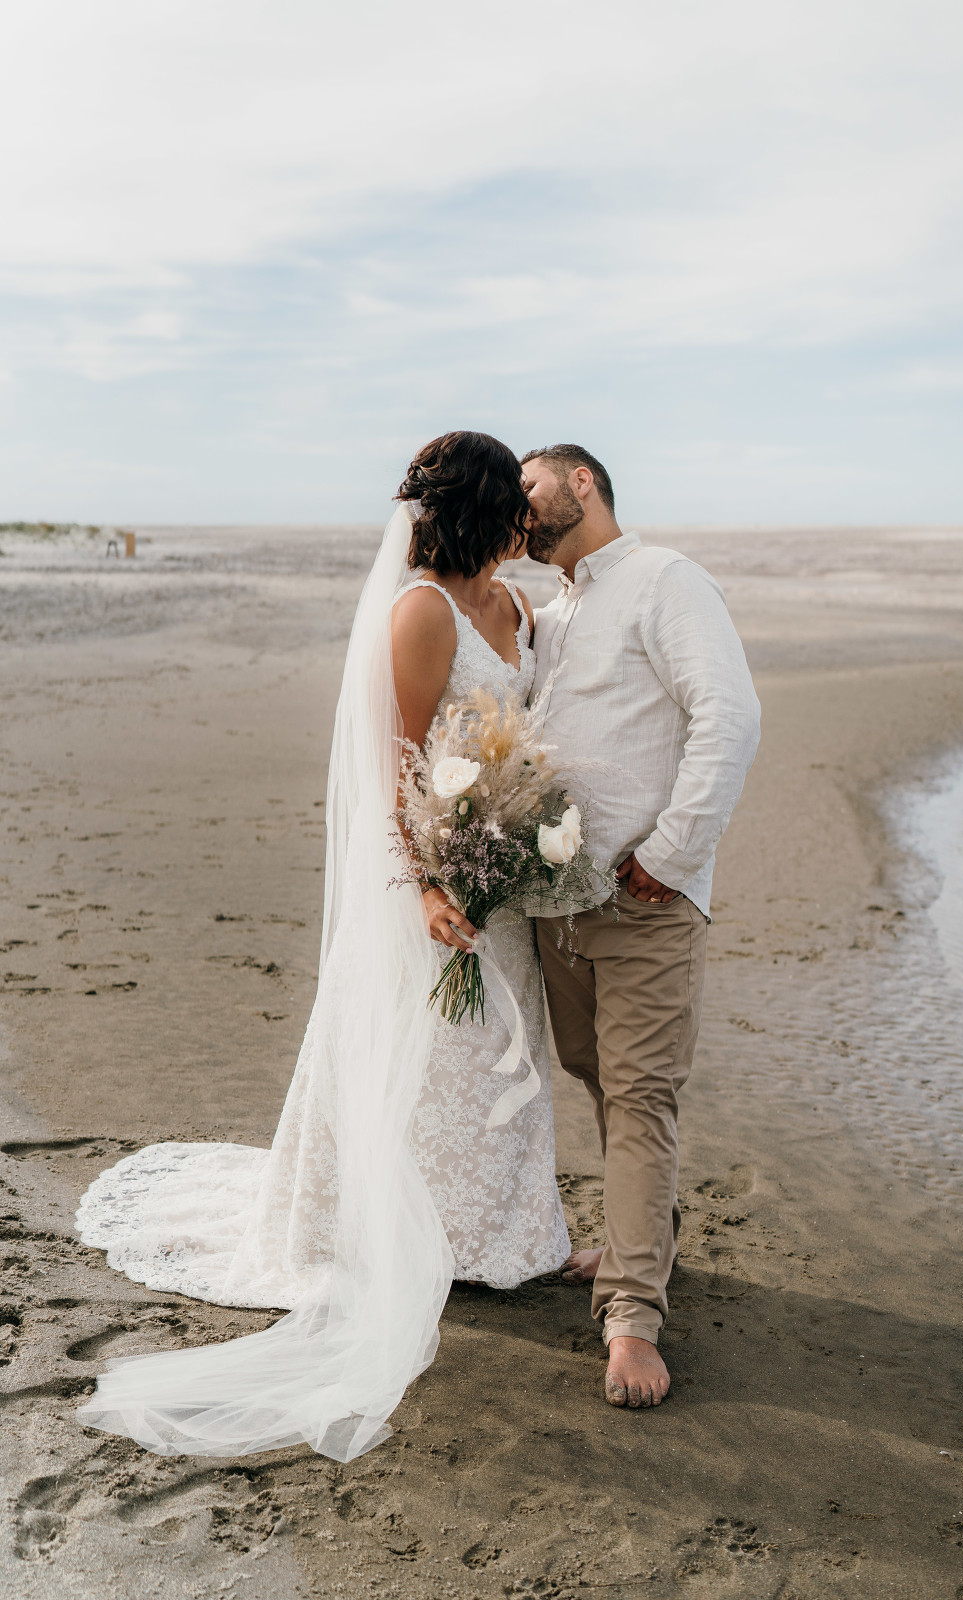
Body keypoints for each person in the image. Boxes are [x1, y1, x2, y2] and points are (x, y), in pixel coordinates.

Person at [74, 431, 568, 1461]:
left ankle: (490, 1232)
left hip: (502, 881)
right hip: (434, 878)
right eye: (513, 504)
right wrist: (427, 883)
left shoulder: (518, 607)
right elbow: (398, 762)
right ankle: (396, 1229)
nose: (529, 519)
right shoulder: (422, 611)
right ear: (479, 508)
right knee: (429, 1052)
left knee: (495, 1049)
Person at [522, 443, 761, 1411]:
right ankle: (641, 1238)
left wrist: (670, 851)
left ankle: (630, 1313)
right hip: (555, 902)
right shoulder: (549, 613)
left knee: (638, 1094)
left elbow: (728, 716)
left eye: (529, 486)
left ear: (580, 482)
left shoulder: (664, 578)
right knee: (594, 1074)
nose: (517, 507)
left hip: (643, 899)